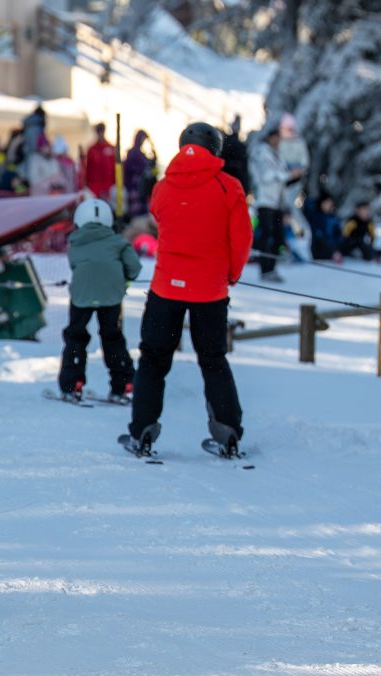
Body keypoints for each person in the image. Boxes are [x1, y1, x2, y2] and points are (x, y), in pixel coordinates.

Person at [121, 123, 251, 458]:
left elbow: (162, 218)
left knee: (153, 360)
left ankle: (143, 431)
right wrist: (231, 275)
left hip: (166, 287)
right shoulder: (229, 187)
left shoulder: (163, 187)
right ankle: (228, 433)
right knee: (213, 360)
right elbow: (241, 239)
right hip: (210, 290)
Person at [56, 198, 140, 404]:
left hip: (82, 295)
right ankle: (123, 384)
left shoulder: (75, 242)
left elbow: (75, 264)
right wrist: (124, 278)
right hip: (111, 295)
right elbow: (135, 268)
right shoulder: (119, 242)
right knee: (113, 337)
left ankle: (72, 384)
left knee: (75, 337)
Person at [249, 125, 288, 282]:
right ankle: (266, 269)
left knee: (277, 237)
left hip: (276, 203)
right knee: (268, 237)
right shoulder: (262, 153)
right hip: (265, 202)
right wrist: (287, 175)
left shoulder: (277, 155)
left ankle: (272, 268)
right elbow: (266, 176)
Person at [277, 113, 309, 233]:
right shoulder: (279, 143)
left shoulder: (299, 142)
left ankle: (298, 232)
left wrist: (298, 171)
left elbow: (304, 160)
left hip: (296, 181)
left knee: (293, 208)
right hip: (282, 181)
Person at [123, 130, 157, 218]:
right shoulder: (133, 153)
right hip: (134, 188)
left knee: (142, 212)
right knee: (136, 213)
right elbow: (131, 168)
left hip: (141, 189)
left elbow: (151, 165)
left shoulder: (141, 154)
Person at [303, 193, 344, 262]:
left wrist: (337, 248)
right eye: (326, 203)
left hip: (334, 250)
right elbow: (318, 235)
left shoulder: (334, 218)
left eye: (330, 203)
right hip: (319, 250)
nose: (328, 205)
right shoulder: (315, 216)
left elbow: (338, 234)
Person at [84, 122, 117, 200]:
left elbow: (114, 167)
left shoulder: (111, 148)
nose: (100, 133)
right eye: (99, 131)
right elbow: (88, 168)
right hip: (94, 187)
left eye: (102, 131)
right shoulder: (91, 149)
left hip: (109, 186)